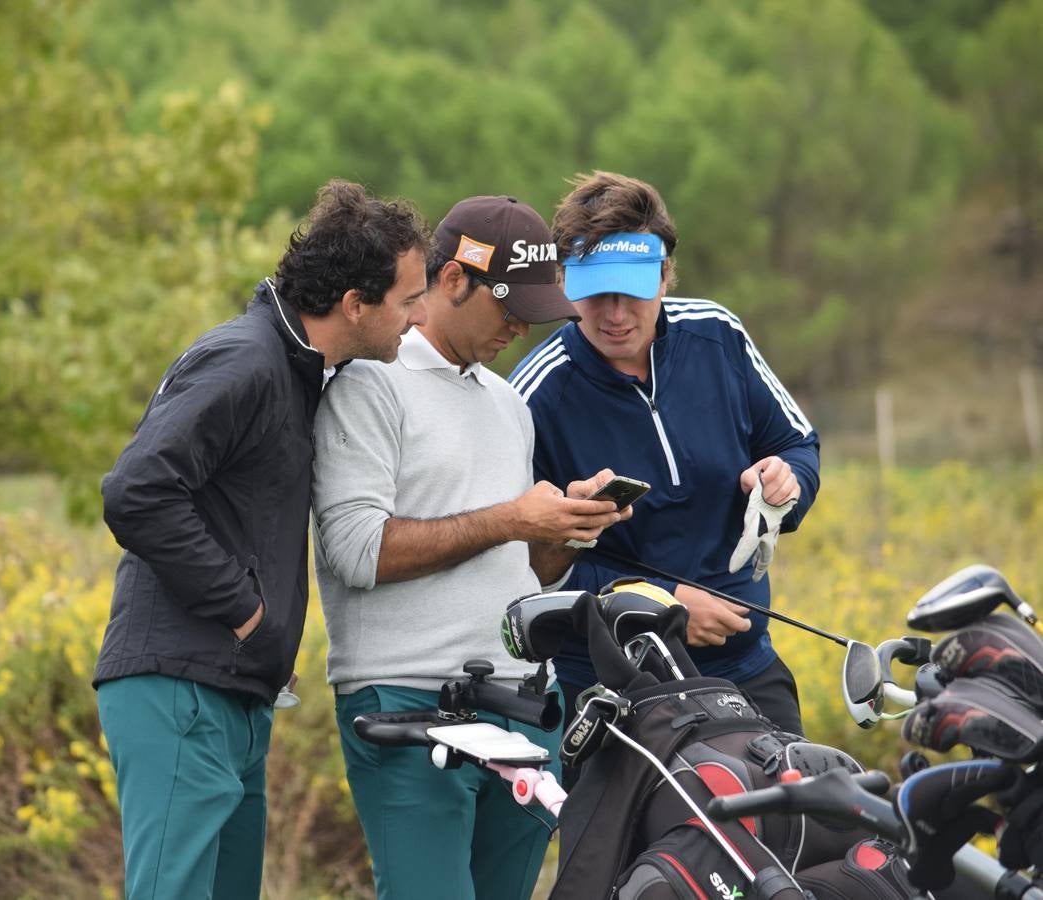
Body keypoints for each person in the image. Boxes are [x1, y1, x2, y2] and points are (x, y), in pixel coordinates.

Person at [93, 179, 431, 900]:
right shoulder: (245, 360)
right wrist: (248, 612)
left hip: (232, 693)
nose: (419, 317)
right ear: (355, 304)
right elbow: (135, 490)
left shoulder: (300, 372)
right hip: (181, 688)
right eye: (408, 300)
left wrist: (266, 643)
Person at [312, 195, 630, 900]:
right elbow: (357, 552)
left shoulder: (507, 402)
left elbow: (522, 571)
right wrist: (513, 518)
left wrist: (564, 532)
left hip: (524, 703)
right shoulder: (368, 382)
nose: (521, 328)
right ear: (452, 279)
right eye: (509, 307)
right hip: (409, 701)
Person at [509, 172, 819, 736]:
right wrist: (664, 606)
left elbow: (796, 443)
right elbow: (527, 567)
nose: (615, 313)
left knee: (803, 797)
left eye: (632, 290)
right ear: (563, 280)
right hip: (612, 689)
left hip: (746, 672)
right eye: (595, 293)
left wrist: (788, 481)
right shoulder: (534, 394)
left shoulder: (718, 336)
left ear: (665, 275)